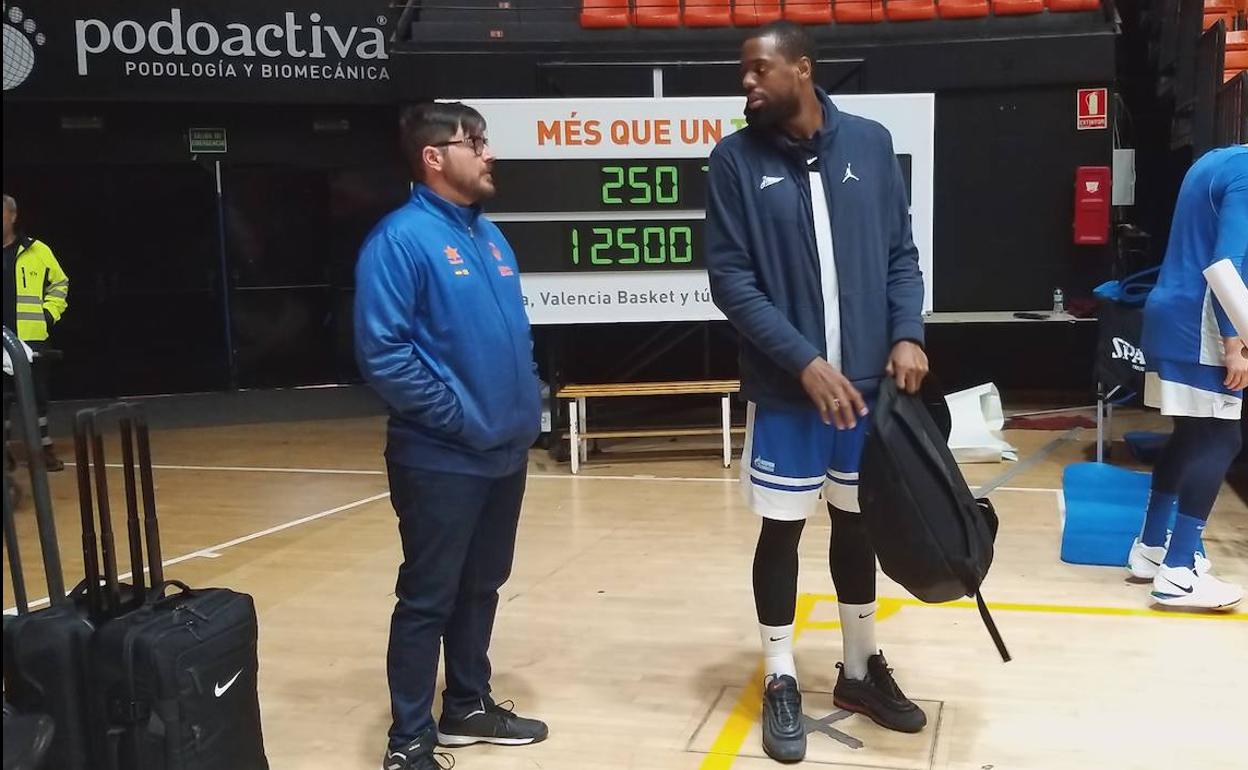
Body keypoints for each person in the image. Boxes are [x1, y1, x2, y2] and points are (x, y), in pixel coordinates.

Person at [705, 21, 930, 763]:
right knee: (783, 529)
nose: (748, 83)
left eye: (758, 70)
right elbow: (731, 281)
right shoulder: (734, 161)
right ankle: (778, 675)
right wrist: (803, 361)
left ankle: (860, 669)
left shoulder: (868, 142)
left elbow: (901, 252)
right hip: (788, 391)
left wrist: (907, 333)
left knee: (858, 525)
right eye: (743, 72)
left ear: (801, 69)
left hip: (866, 392)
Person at [354, 102, 548, 770]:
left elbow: (510, 336)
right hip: (441, 456)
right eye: (476, 143)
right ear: (434, 156)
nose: (489, 154)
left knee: (482, 586)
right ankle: (408, 740)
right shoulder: (399, 240)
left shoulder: (490, 237)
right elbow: (383, 355)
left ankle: (466, 704)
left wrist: (526, 397)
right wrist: (461, 417)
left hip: (502, 452)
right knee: (428, 597)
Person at [1128, 143, 1247, 611]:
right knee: (1222, 440)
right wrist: (1235, 342)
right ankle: (1178, 571)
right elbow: (1227, 266)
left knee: (1191, 436)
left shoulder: (1215, 159)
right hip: (1202, 326)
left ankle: (1151, 548)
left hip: (1169, 313)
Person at [3, 194, 68, 472]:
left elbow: (60, 284)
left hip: (30, 338)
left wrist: (47, 314)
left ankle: (42, 450)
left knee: (37, 397)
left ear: (13, 216)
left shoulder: (37, 250)